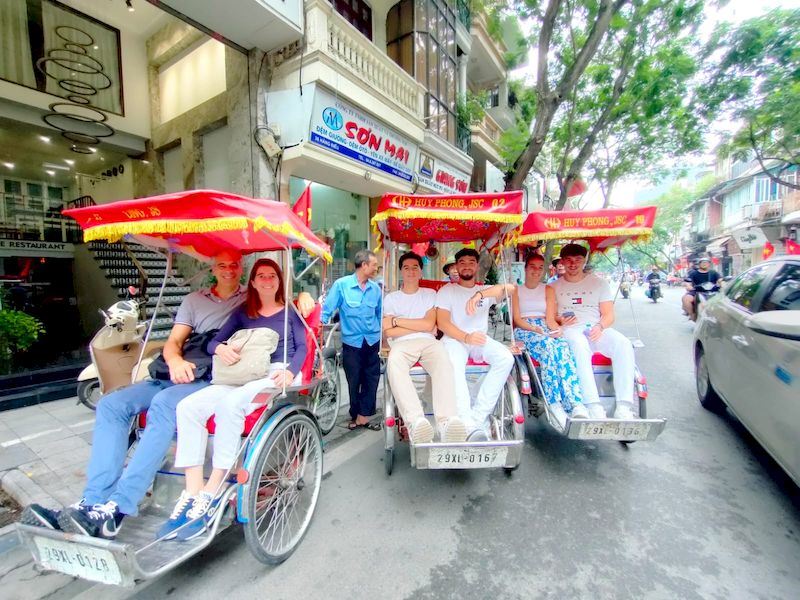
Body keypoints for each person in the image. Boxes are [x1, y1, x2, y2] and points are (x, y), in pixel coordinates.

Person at [22, 251, 247, 538]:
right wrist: (176, 361)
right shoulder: (194, 300)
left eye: (234, 264)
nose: (228, 269)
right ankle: (93, 502)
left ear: (241, 268)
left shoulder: (248, 300)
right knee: (112, 404)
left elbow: (277, 306)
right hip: (173, 371)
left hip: (208, 378)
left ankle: (119, 506)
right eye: (222, 263)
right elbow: (174, 342)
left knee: (163, 406)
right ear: (213, 267)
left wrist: (303, 302)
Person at [158, 258, 307, 541]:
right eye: (260, 275)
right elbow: (213, 342)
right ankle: (193, 490)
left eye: (272, 275)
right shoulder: (243, 312)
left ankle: (212, 490)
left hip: (275, 373)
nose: (266, 280)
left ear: (279, 280)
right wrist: (222, 349)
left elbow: (302, 347)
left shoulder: (290, 311)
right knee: (188, 407)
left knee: (230, 405)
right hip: (239, 372)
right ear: (252, 282)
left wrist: (290, 371)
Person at [546, 243, 637, 420]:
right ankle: (593, 404)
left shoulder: (599, 283)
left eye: (578, 260)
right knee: (579, 345)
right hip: (571, 329)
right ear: (562, 261)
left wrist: (600, 326)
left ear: (584, 260)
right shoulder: (554, 287)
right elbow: (551, 317)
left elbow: (609, 314)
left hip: (596, 327)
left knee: (624, 344)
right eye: (569, 260)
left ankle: (624, 406)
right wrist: (560, 321)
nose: (573, 264)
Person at [383, 252, 466, 443]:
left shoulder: (430, 294)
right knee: (394, 364)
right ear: (401, 272)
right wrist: (413, 324)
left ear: (421, 271)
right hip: (402, 345)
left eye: (415, 267)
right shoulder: (391, 298)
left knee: (443, 362)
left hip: (428, 342)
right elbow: (389, 331)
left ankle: (446, 421)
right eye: (406, 267)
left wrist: (397, 321)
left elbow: (429, 325)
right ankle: (415, 421)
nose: (411, 271)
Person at [435, 248, 515, 440]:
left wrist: (479, 295)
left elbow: (510, 288)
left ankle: (478, 417)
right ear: (456, 266)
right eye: (462, 262)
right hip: (455, 339)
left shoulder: (483, 290)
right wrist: (466, 337)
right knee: (455, 364)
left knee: (506, 358)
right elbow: (443, 323)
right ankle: (465, 421)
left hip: (479, 339)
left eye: (471, 262)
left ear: (477, 266)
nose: (467, 266)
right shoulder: (448, 290)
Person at [511, 254, 588, 426]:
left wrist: (557, 330)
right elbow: (517, 319)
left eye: (540, 267)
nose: (536, 271)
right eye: (532, 266)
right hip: (524, 329)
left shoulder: (548, 289)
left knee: (562, 345)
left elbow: (550, 318)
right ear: (525, 268)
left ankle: (574, 401)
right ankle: (554, 403)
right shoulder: (516, 290)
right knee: (547, 346)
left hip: (544, 327)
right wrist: (535, 329)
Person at [322, 249, 382, 431]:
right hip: (352, 343)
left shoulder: (376, 288)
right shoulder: (342, 285)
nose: (376, 269)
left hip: (373, 341)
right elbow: (327, 310)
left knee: (372, 378)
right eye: (374, 265)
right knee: (354, 379)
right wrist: (319, 326)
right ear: (364, 265)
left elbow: (380, 314)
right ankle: (355, 413)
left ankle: (363, 416)